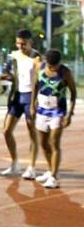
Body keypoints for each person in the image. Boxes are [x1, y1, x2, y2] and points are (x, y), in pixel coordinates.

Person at [29, 49, 76, 188]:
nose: (51, 68)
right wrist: (32, 104)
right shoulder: (40, 67)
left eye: (54, 66)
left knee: (54, 143)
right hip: (42, 110)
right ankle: (50, 170)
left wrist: (69, 114)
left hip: (58, 111)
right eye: (49, 65)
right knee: (43, 143)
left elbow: (73, 93)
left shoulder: (65, 72)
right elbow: (35, 85)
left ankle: (54, 177)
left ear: (59, 63)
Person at [0, 29, 42, 178]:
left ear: (30, 42)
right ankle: (15, 163)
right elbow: (7, 73)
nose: (20, 46)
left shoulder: (36, 58)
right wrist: (7, 77)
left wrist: (34, 102)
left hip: (30, 96)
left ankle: (31, 167)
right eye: (18, 43)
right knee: (6, 130)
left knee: (32, 132)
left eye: (23, 44)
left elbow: (39, 81)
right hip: (16, 96)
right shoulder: (13, 56)